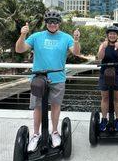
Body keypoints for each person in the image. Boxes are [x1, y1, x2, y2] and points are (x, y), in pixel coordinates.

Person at [15, 10, 81, 152]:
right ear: (46, 23)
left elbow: (76, 52)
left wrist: (76, 40)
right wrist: (22, 35)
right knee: (38, 107)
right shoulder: (36, 36)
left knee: (56, 106)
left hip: (58, 78)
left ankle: (55, 132)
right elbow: (19, 49)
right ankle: (36, 134)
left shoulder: (66, 37)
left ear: (59, 24)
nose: (52, 24)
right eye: (50, 22)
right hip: (38, 79)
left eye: (55, 22)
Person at [97, 26, 118, 132]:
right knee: (105, 98)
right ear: (107, 35)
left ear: (117, 35)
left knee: (117, 98)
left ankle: (117, 119)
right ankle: (104, 119)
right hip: (104, 73)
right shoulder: (103, 45)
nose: (112, 35)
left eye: (114, 34)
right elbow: (100, 57)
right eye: (110, 34)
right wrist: (104, 47)